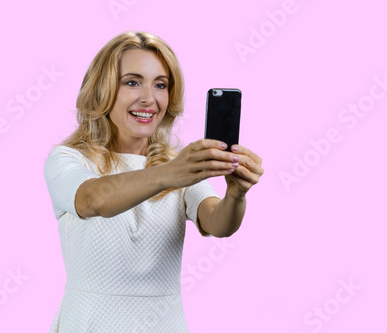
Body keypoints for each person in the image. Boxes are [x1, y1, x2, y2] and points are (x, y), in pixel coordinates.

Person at [43, 31, 264, 332]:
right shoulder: (68, 159)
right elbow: (93, 200)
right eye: (132, 82)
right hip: (90, 322)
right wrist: (170, 173)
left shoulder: (178, 166)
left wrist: (236, 195)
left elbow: (218, 223)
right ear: (102, 89)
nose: (149, 98)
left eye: (160, 85)